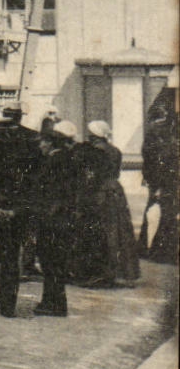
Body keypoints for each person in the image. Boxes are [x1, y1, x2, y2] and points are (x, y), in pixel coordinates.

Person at [0, 107, 43, 317]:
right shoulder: (32, 139)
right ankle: (8, 304)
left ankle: (4, 302)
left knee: (1, 250)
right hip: (18, 204)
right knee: (11, 255)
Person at [77, 120, 140, 287]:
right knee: (121, 231)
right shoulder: (115, 150)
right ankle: (125, 273)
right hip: (116, 191)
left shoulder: (94, 152)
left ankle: (103, 273)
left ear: (93, 136)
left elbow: (91, 176)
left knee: (103, 231)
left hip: (102, 193)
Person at [30, 120, 81, 316]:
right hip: (62, 219)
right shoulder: (68, 159)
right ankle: (52, 302)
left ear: (51, 144)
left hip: (52, 220)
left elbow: (50, 192)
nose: (40, 146)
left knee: (50, 262)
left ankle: (54, 304)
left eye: (43, 142)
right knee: (55, 263)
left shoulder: (54, 162)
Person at [142, 93, 178, 263]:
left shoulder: (159, 133)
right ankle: (161, 251)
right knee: (167, 213)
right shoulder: (160, 135)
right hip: (165, 179)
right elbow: (154, 159)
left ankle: (152, 248)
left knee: (162, 212)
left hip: (163, 179)